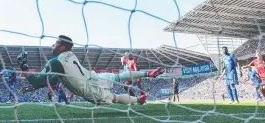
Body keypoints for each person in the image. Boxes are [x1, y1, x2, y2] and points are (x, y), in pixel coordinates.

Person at [18, 35, 165, 105]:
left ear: (62, 47)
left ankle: (138, 100)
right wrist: (33, 86)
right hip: (93, 76)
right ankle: (149, 73)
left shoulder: (55, 62)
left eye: (55, 43)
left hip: (88, 89)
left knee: (115, 98)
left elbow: (39, 82)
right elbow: (55, 77)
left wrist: (24, 67)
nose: (52, 45)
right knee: (119, 76)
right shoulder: (70, 55)